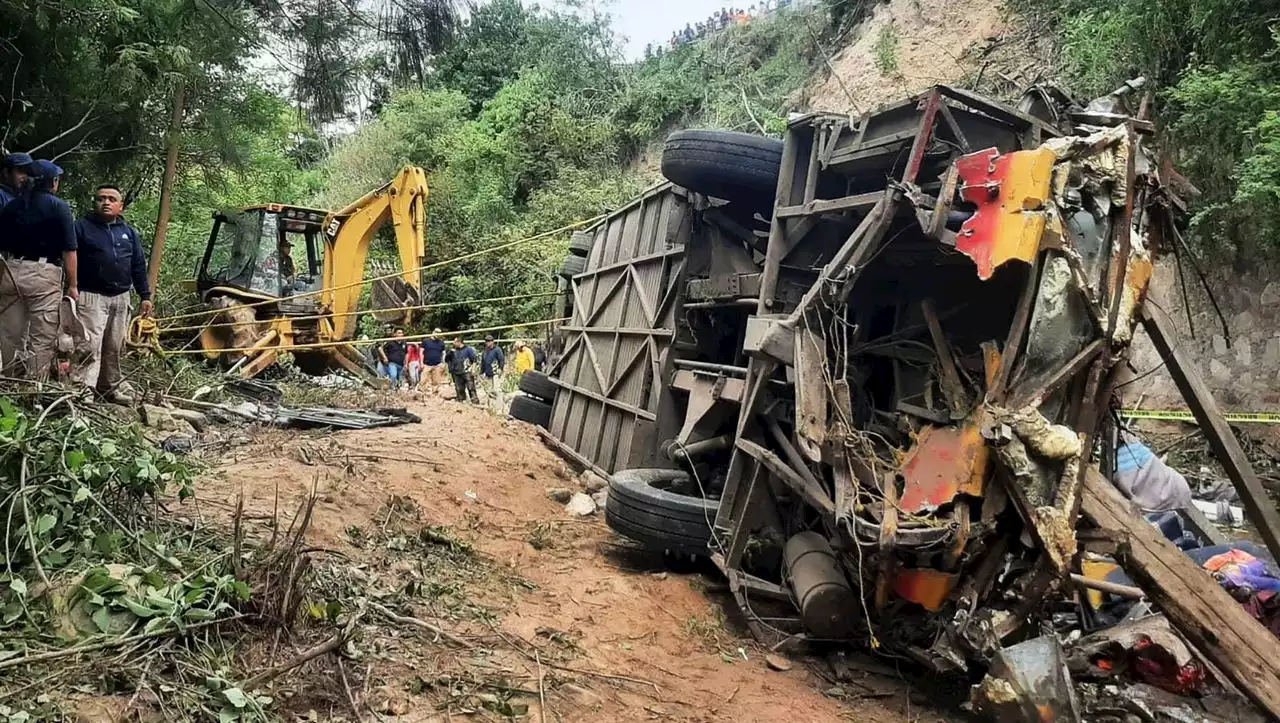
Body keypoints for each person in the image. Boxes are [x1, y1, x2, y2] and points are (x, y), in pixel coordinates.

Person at [71, 184, 151, 401]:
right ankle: (82, 391)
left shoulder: (128, 233)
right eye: (101, 198)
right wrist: (70, 287)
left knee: (114, 345)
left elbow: (137, 265)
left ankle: (108, 387)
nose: (106, 202)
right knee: (89, 345)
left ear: (121, 206)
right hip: (90, 296)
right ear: (94, 203)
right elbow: (69, 258)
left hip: (121, 297)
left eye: (111, 199)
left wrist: (145, 295)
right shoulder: (81, 227)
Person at [0, 160, 77, 381]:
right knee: (42, 335)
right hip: (43, 274)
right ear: (53, 182)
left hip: (12, 270)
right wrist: (73, 285)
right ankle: (33, 386)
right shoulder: (58, 207)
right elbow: (69, 250)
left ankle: (9, 382)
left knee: (10, 333)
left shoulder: (11, 206)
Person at [446, 336, 479, 403]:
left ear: (459, 342)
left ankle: (475, 402)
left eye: (455, 342)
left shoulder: (468, 349)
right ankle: (462, 403)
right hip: (457, 373)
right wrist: (449, 354)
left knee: (471, 388)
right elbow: (447, 360)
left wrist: (473, 369)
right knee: (459, 389)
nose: (453, 343)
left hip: (467, 372)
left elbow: (474, 360)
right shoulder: (453, 351)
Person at [479, 334, 506, 408]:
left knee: (497, 390)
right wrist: (481, 372)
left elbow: (501, 359)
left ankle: (499, 407)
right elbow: (483, 362)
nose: (488, 343)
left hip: (496, 373)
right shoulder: (485, 351)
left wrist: (501, 368)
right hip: (488, 373)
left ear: (493, 341)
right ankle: (490, 406)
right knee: (488, 390)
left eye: (489, 341)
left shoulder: (497, 350)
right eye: (486, 341)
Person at [421, 327, 447, 394]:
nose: (438, 334)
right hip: (426, 364)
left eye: (439, 333)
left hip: (437, 364)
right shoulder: (426, 341)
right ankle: (422, 393)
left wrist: (443, 363)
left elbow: (443, 354)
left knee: (436, 381)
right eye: (436, 332)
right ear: (433, 332)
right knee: (423, 380)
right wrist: (421, 362)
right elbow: (421, 352)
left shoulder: (441, 343)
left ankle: (434, 394)